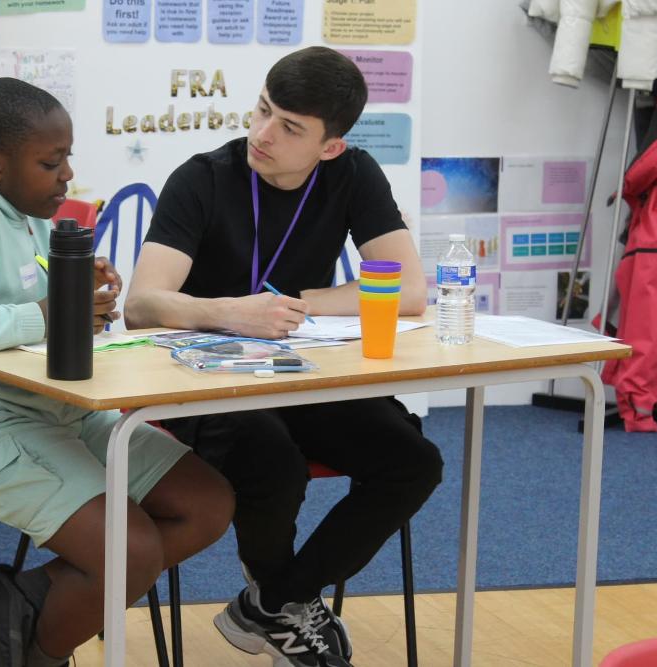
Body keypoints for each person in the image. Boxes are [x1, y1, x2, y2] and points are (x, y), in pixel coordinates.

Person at [124, 47, 444, 667]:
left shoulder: (353, 175)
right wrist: (226, 311)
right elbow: (142, 305)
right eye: (263, 110)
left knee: (413, 461)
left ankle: (275, 601)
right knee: (272, 457)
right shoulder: (203, 178)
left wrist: (300, 302)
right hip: (200, 379)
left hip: (298, 372)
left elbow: (409, 290)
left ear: (331, 147)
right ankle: (285, 605)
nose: (262, 134)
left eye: (290, 127)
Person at [0, 77, 234, 667]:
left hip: (54, 406)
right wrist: (51, 314)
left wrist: (74, 286)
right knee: (130, 551)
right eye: (52, 162)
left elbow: (13, 292)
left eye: (67, 157)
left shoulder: (18, 204)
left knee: (206, 504)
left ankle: (18, 607)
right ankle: (31, 654)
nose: (67, 175)